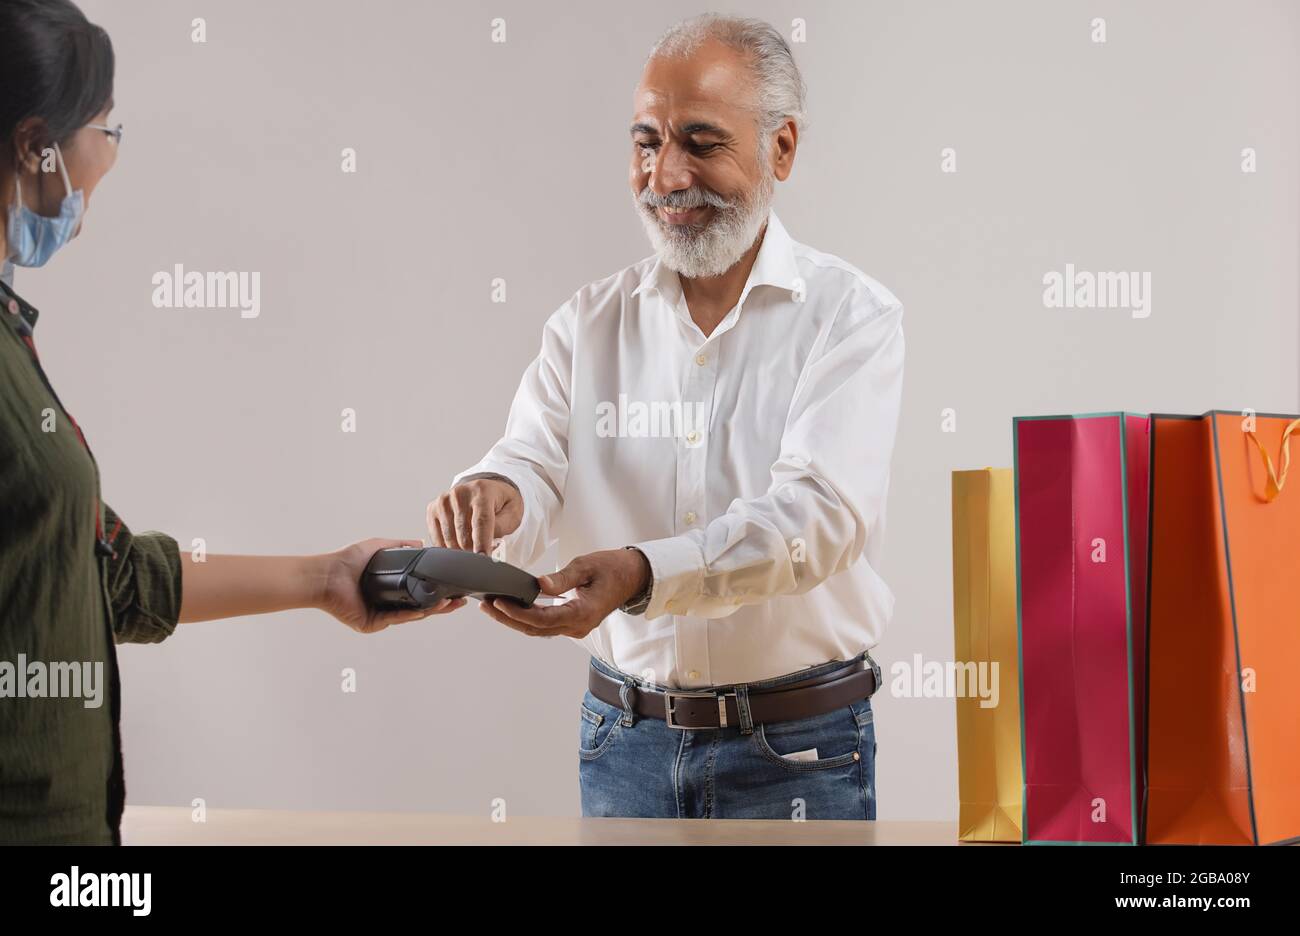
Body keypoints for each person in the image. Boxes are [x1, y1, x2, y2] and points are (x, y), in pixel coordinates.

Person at [0, 0, 463, 845]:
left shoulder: (13, 341)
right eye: (105, 129)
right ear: (38, 145)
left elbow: (106, 576)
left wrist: (329, 579)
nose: (110, 155)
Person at [427, 14, 904, 820]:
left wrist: (643, 573)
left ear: (781, 148)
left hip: (797, 755)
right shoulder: (586, 323)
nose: (667, 175)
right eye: (646, 141)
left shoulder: (851, 318)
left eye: (701, 141)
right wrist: (498, 493)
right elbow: (531, 460)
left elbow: (818, 517)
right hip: (623, 744)